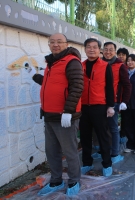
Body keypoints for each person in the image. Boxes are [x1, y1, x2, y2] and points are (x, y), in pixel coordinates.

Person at [29, 33, 83, 196]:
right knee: (52, 151)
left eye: (59, 42)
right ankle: (56, 180)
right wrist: (35, 76)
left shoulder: (72, 62)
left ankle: (74, 180)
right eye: (52, 42)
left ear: (67, 44)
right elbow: (52, 84)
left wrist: (68, 111)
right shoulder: (51, 63)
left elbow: (77, 87)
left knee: (70, 150)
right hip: (49, 115)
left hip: (64, 116)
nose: (55, 44)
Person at [79, 38, 115, 177]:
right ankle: (87, 163)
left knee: (103, 136)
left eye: (94, 47)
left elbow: (110, 87)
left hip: (99, 106)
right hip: (83, 106)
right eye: (89, 47)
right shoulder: (80, 65)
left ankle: (107, 163)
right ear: (85, 49)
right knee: (85, 136)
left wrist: (110, 106)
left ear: (99, 50)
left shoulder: (105, 66)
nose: (92, 49)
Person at [102, 42, 132, 163]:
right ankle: (104, 151)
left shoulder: (120, 66)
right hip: (99, 100)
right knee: (102, 128)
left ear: (114, 52)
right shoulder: (99, 63)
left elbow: (127, 85)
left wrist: (124, 101)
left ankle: (115, 153)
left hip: (114, 101)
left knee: (113, 128)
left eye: (111, 50)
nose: (108, 52)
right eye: (106, 49)